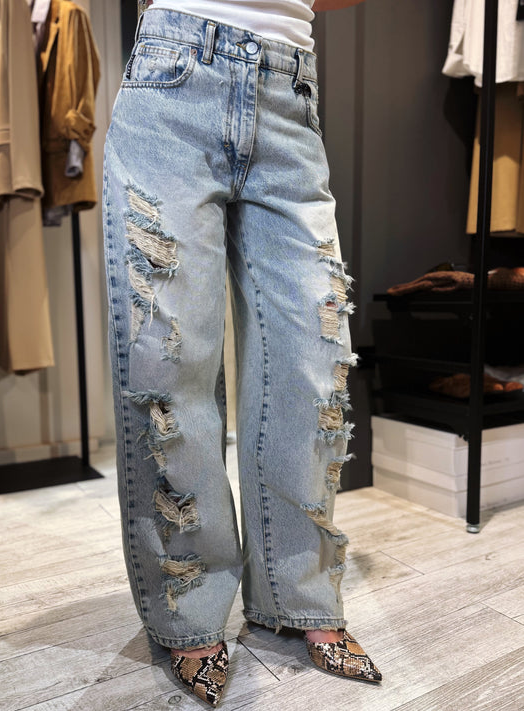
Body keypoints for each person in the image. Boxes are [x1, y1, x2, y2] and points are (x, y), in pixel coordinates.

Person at [102, 0, 381, 706]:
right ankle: (189, 609)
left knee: (313, 364)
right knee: (168, 368)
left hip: (290, 94)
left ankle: (297, 595)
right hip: (173, 77)